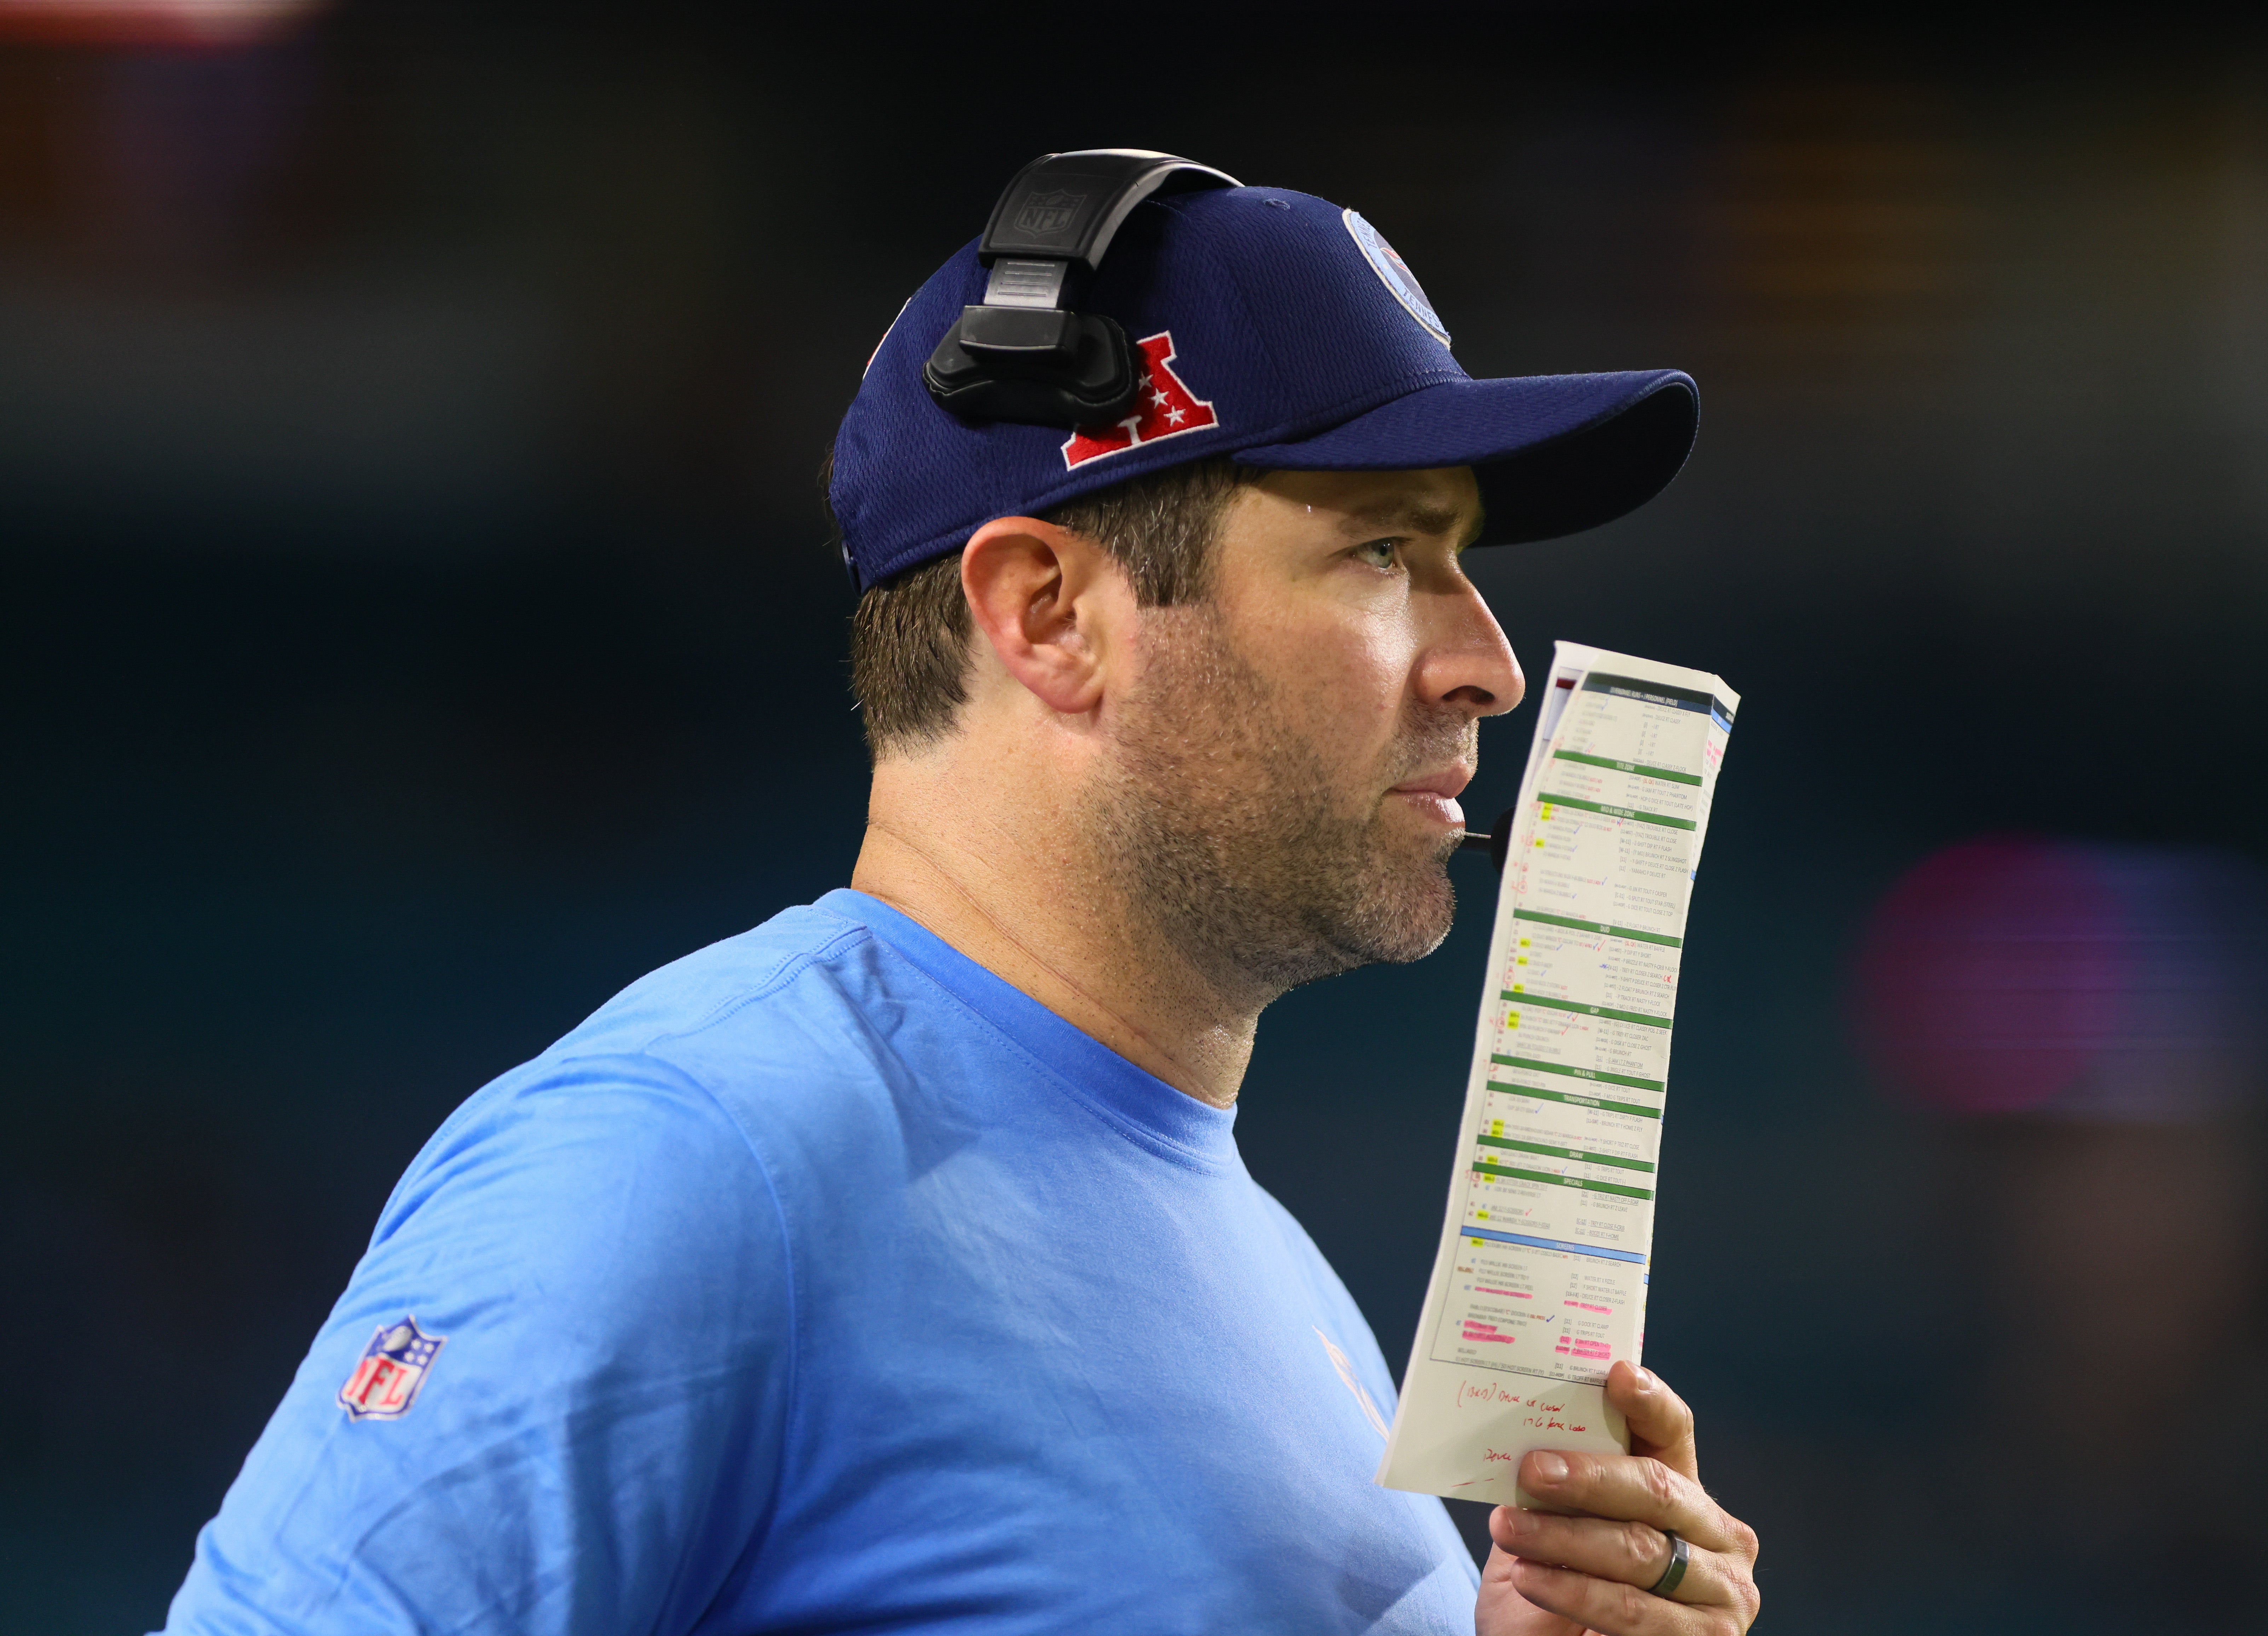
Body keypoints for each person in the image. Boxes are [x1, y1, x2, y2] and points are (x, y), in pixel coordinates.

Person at [156, 154, 1762, 1636]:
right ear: (1047, 615)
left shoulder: (1287, 1286)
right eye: (1380, 553)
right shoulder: (694, 1155)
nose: (1487, 663)